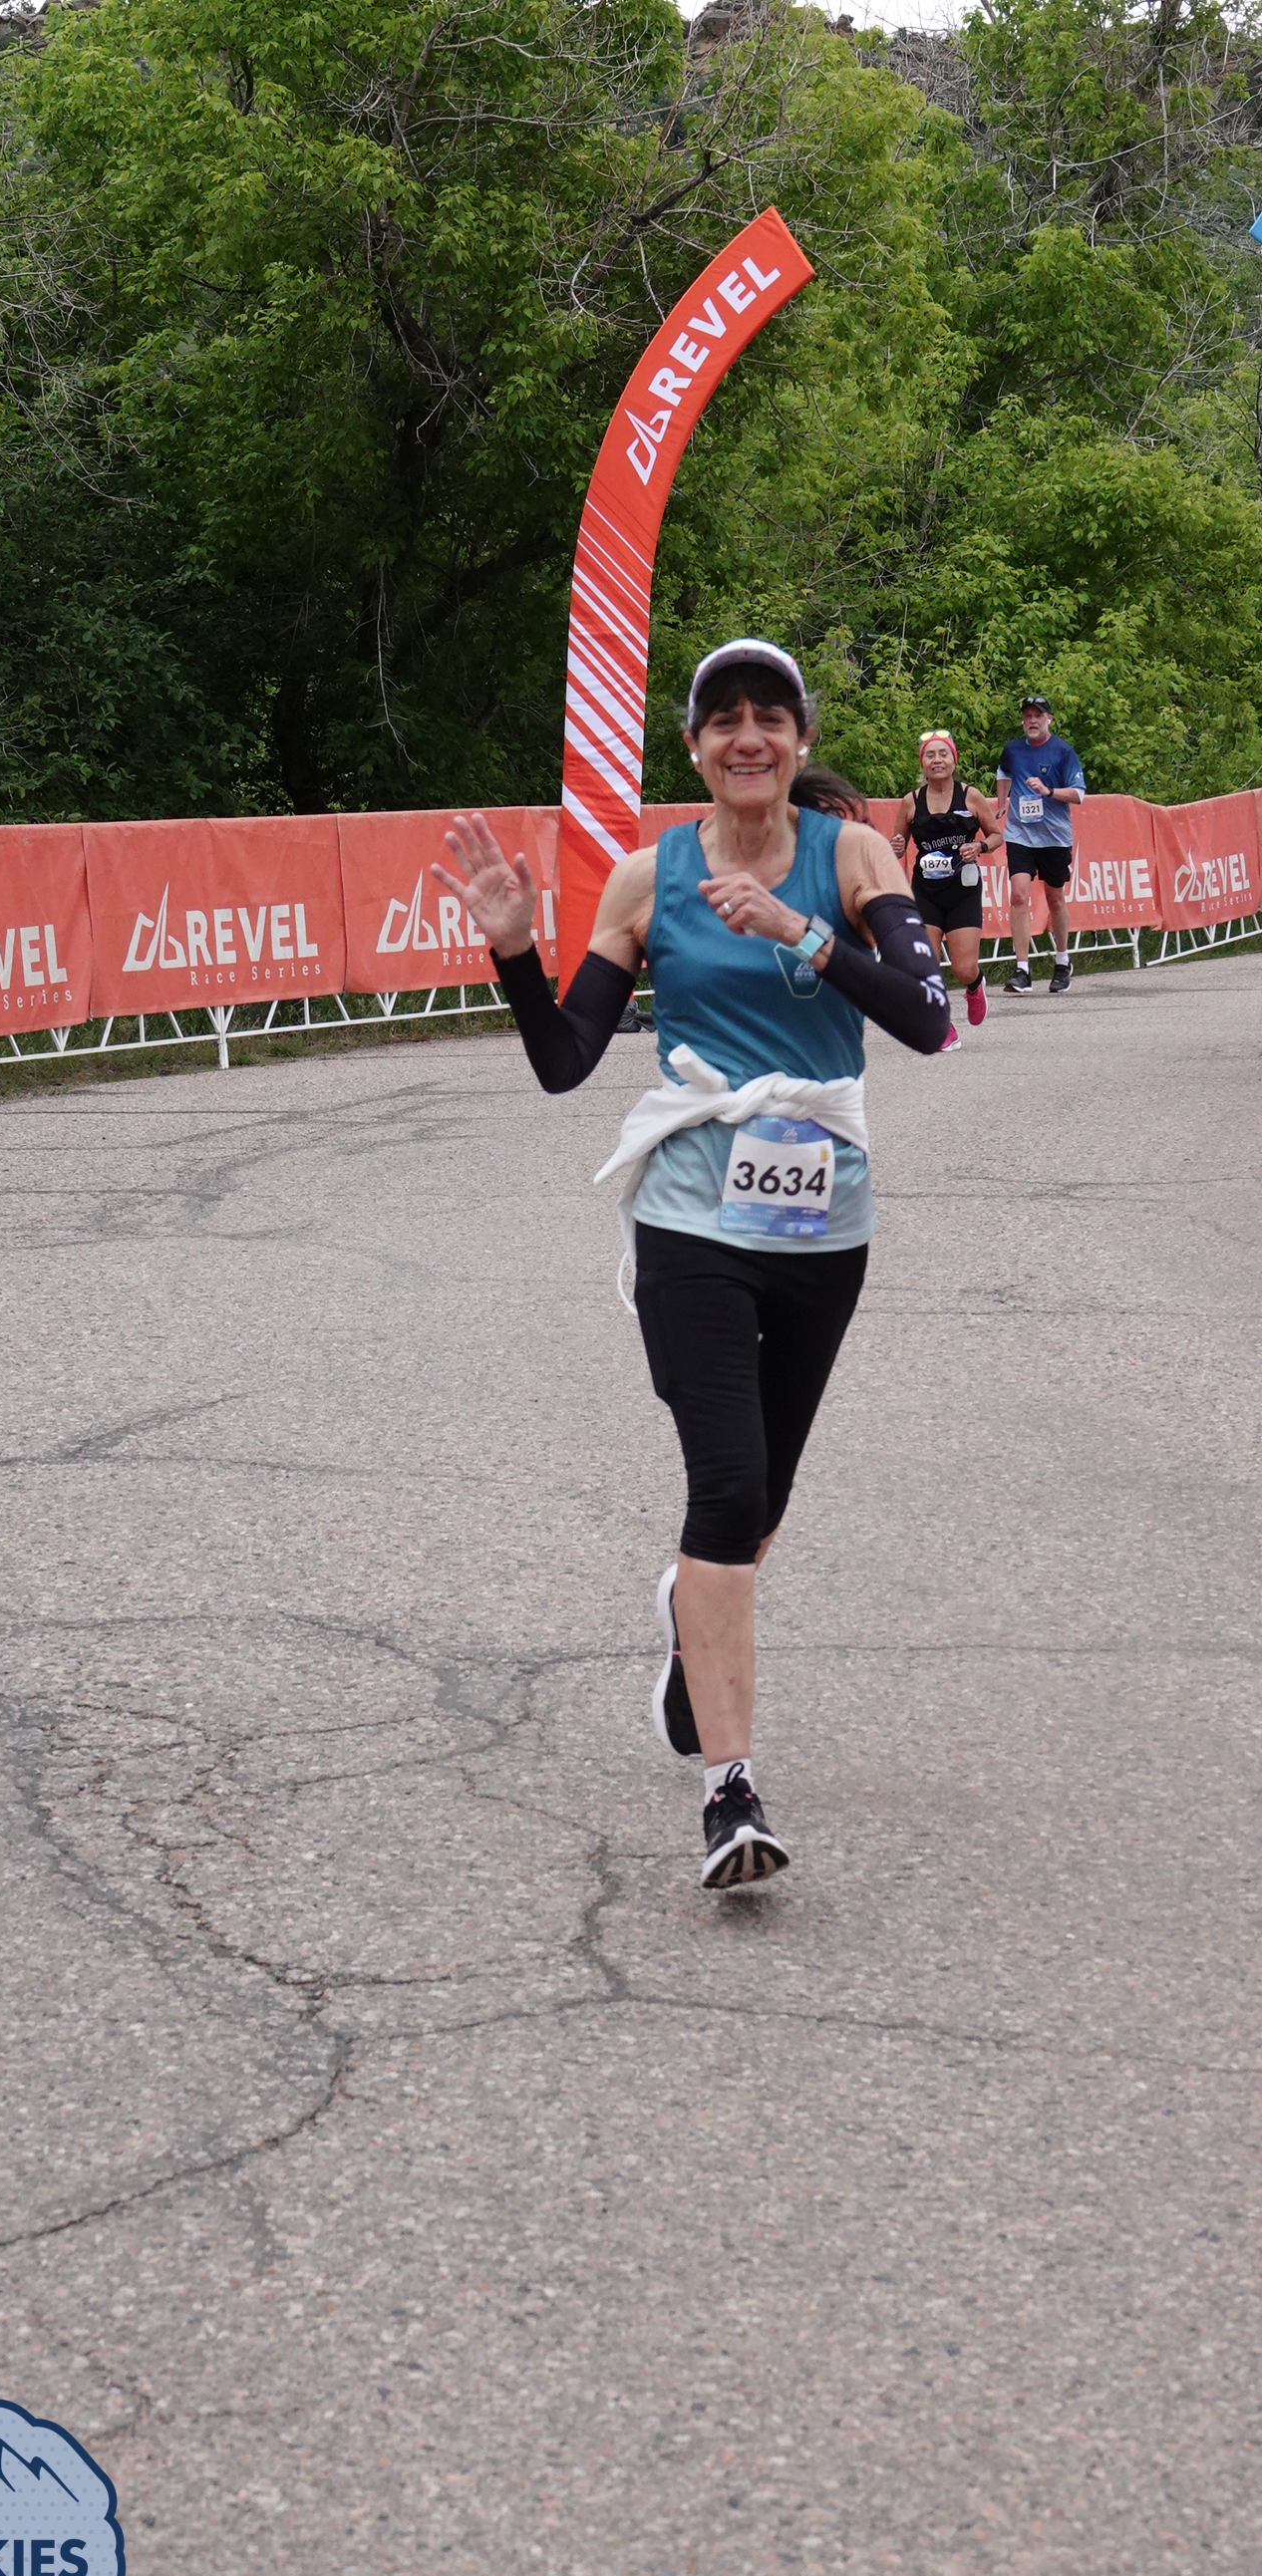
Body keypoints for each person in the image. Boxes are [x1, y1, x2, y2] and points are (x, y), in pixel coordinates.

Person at [433, 639, 950, 1891]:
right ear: (695, 748)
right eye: (724, 719)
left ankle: (688, 1617)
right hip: (688, 1219)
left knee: (760, 1503)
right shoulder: (645, 877)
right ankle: (731, 1791)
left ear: (800, 740)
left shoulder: (853, 858)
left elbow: (927, 1018)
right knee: (726, 1485)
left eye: (770, 716)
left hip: (821, 1222)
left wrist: (802, 934)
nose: (747, 737)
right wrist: (513, 950)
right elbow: (565, 1060)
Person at [891, 731, 1002, 1045]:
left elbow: (996, 836)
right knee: (924, 966)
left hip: (962, 891)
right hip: (925, 892)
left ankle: (974, 986)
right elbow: (897, 846)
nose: (937, 760)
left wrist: (978, 847)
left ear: (953, 760)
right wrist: (896, 845)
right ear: (922, 763)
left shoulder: (970, 796)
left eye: (943, 754)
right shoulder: (910, 802)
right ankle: (942, 1027)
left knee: (963, 968)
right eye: (930, 755)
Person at [996, 695, 1085, 994]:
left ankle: (1062, 961)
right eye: (1027, 716)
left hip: (1054, 837)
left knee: (1054, 898)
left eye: (1038, 716)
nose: (1032, 721)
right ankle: (1022, 969)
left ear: (1049, 720)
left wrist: (1048, 791)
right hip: (1019, 834)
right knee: (1018, 894)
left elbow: (1078, 794)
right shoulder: (1013, 749)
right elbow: (1003, 772)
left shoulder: (1063, 751)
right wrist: (1001, 802)